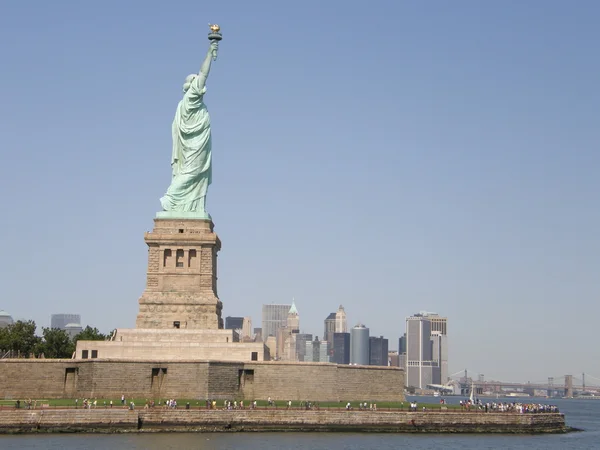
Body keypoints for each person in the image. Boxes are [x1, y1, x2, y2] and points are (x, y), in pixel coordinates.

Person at [160, 40, 219, 215]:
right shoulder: (190, 100)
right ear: (191, 86)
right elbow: (203, 73)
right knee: (192, 172)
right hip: (194, 147)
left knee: (193, 174)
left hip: (194, 145)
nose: (200, 86)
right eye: (196, 83)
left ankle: (188, 206)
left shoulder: (184, 104)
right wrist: (210, 53)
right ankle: (170, 198)